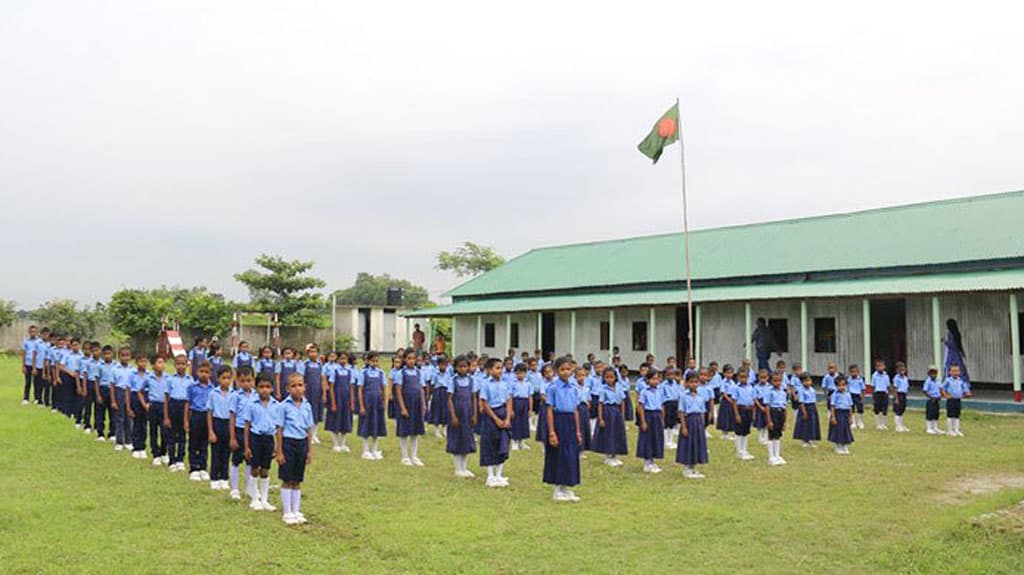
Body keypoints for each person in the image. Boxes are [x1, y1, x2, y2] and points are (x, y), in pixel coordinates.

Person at [276, 373, 315, 525]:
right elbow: (279, 429)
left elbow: (308, 430)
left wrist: (310, 450)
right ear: (287, 388)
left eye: (300, 385)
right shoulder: (283, 406)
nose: (297, 389)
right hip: (288, 443)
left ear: (304, 387)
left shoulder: (307, 406)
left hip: (302, 444)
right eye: (293, 386)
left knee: (297, 479)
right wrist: (279, 451)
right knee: (287, 478)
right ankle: (287, 511)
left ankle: (296, 510)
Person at [543, 356, 582, 502]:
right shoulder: (552, 388)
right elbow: (549, 410)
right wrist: (552, 432)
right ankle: (557, 490)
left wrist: (578, 431)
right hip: (558, 421)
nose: (566, 372)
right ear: (556, 371)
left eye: (568, 369)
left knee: (570, 455)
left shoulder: (574, 387)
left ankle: (567, 487)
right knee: (558, 454)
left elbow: (575, 410)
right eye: (562, 369)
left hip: (570, 422)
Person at [244, 374, 279, 512]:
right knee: (255, 468)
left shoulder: (276, 405)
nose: (264, 390)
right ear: (256, 388)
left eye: (268, 387)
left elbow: (277, 428)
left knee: (265, 469)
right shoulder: (251, 404)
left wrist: (277, 446)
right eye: (261, 387)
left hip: (268, 439)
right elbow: (247, 425)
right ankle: (254, 499)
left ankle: (264, 499)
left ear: (272, 388)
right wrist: (247, 446)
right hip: (255, 438)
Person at [478, 358, 513, 488]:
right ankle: (490, 475)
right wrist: (496, 419)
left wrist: (508, 418)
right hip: (491, 415)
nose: (500, 371)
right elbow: (484, 403)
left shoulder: (505, 383)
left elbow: (509, 400)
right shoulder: (486, 384)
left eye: (501, 368)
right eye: (497, 368)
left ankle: (499, 475)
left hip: (503, 412)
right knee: (490, 444)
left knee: (503, 444)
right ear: (489, 370)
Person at [446, 355, 477, 478]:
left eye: (465, 366)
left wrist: (474, 414)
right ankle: (457, 468)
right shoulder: (452, 380)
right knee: (456, 439)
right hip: (457, 413)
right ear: (455, 368)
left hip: (468, 413)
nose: (463, 369)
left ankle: (464, 467)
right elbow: (449, 399)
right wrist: (453, 416)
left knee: (466, 439)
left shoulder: (471, 380)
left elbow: (474, 397)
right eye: (460, 366)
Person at [229, 367, 257, 500]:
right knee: (236, 460)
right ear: (238, 382)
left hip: (252, 431)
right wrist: (232, 437)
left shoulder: (256, 396)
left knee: (250, 460)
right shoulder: (235, 396)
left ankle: (249, 488)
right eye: (243, 381)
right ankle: (234, 488)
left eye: (249, 380)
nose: (246, 383)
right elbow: (232, 416)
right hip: (239, 430)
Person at [395, 350, 427, 466]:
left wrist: (423, 404)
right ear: (404, 359)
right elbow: (398, 391)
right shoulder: (401, 373)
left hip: (417, 404)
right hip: (406, 404)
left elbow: (421, 389)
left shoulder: (419, 373)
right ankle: (404, 456)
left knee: (415, 431)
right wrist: (402, 407)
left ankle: (414, 455)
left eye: (414, 359)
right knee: (405, 431)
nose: (411, 361)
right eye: (409, 358)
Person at [676, 372, 709, 479]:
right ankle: (686, 468)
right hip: (689, 421)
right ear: (686, 383)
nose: (694, 384)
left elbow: (702, 411)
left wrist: (703, 425)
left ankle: (693, 467)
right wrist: (684, 426)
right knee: (688, 444)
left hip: (698, 421)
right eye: (691, 382)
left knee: (697, 444)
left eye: (696, 382)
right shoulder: (684, 396)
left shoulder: (700, 396)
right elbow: (681, 412)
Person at [185, 362, 214, 482]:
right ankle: (194, 468)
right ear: (197, 372)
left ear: (210, 374)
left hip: (207, 416)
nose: (204, 374)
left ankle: (202, 467)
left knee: (204, 443)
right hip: (195, 415)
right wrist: (186, 421)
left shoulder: (213, 389)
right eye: (201, 371)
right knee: (193, 442)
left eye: (206, 372)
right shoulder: (192, 387)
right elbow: (188, 404)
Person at [593, 366, 627, 467]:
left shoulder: (619, 388)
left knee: (617, 433)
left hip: (616, 412)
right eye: (607, 377)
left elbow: (622, 402)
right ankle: (608, 456)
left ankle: (615, 455)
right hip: (607, 412)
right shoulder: (603, 389)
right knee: (608, 434)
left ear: (615, 377)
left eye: (611, 377)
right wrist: (601, 418)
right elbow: (600, 404)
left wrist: (622, 415)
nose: (609, 379)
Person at [207, 366, 234, 491]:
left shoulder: (234, 394)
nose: (226, 381)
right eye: (224, 378)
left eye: (229, 378)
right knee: (216, 453)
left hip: (229, 423)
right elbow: (209, 413)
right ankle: (214, 478)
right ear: (218, 379)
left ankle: (224, 478)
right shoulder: (213, 393)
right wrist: (211, 431)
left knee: (226, 453)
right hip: (217, 423)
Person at [164, 355, 193, 471]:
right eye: (178, 364)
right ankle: (172, 460)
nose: (180, 366)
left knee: (182, 435)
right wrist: (166, 417)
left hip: (184, 407)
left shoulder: (190, 381)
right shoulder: (170, 380)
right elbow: (166, 399)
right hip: (173, 406)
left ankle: (180, 459)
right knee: (171, 435)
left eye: (183, 364)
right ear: (174, 365)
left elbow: (190, 400)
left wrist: (188, 417)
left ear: (187, 365)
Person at [357, 351, 387, 460]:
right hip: (367, 402)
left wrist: (384, 402)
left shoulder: (381, 373)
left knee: (377, 426)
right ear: (368, 361)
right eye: (373, 361)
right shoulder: (363, 373)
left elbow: (383, 388)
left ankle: (375, 449)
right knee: (366, 426)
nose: (375, 363)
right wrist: (361, 406)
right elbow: (360, 390)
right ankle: (365, 450)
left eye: (376, 361)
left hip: (377, 403)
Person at [636, 370, 665, 474]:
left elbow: (662, 406)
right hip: (648, 415)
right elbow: (641, 406)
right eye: (653, 379)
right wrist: (643, 421)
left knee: (656, 438)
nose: (655, 381)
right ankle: (647, 462)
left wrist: (662, 419)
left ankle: (653, 460)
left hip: (657, 416)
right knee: (647, 438)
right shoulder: (644, 392)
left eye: (657, 379)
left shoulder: (660, 391)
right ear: (648, 380)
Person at [142, 356, 169, 466]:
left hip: (164, 405)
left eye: (163, 362)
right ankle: (155, 454)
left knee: (165, 431)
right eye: (159, 362)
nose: (162, 365)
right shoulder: (148, 378)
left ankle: (164, 452)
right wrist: (145, 404)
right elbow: (140, 391)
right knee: (153, 430)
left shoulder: (168, 378)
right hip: (153, 406)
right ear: (153, 366)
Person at [325, 351, 354, 453]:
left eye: (345, 359)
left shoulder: (349, 371)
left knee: (345, 420)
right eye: (341, 359)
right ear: (338, 359)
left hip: (346, 398)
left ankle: (343, 443)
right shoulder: (334, 370)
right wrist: (333, 402)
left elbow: (351, 387)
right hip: (337, 398)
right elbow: (332, 387)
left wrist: (352, 402)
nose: (343, 361)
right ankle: (335, 443)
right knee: (335, 420)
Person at [298, 344, 324, 443]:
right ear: (308, 353)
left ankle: (315, 434)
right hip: (308, 391)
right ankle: (308, 434)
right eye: (311, 352)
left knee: (317, 412)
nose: (313, 354)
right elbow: (301, 379)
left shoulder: (319, 364)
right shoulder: (304, 365)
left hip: (318, 391)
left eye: (315, 352)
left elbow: (322, 378)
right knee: (308, 412)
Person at [729, 366, 756, 461]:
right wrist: (736, 414)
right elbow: (734, 401)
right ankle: (739, 451)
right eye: (741, 377)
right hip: (740, 409)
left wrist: (753, 413)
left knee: (746, 431)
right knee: (739, 431)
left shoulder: (751, 387)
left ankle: (744, 450)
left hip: (749, 409)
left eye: (745, 377)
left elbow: (753, 401)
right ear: (738, 378)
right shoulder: (736, 388)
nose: (743, 379)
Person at [111, 347, 134, 452]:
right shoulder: (115, 369)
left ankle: (129, 441)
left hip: (130, 393)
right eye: (123, 355)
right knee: (119, 418)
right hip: (119, 392)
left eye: (127, 355)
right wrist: (113, 401)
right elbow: (112, 386)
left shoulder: (133, 370)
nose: (125, 358)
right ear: (119, 356)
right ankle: (119, 441)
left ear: (130, 357)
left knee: (129, 418)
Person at [127, 354, 150, 459]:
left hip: (145, 397)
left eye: (145, 361)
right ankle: (136, 447)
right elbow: (128, 390)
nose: (143, 364)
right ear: (136, 363)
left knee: (144, 424)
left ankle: (143, 447)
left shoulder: (149, 375)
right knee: (136, 423)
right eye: (141, 361)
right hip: (135, 397)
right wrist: (128, 406)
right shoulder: (132, 374)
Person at [765, 372, 788, 466]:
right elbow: (767, 406)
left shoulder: (783, 392)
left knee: (778, 435)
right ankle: (771, 457)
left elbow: (785, 406)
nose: (778, 382)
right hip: (773, 412)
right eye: (775, 380)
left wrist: (785, 421)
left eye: (779, 380)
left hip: (780, 413)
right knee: (771, 435)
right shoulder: (769, 391)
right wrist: (769, 420)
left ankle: (777, 455)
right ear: (771, 381)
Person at [941, 364, 971, 437]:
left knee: (957, 415)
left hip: (958, 400)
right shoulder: (948, 380)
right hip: (951, 400)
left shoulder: (961, 381)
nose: (955, 373)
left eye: (957, 371)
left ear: (959, 372)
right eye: (953, 371)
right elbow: (942, 389)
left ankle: (956, 430)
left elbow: (966, 390)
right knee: (950, 415)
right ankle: (949, 430)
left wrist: (966, 394)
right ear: (950, 372)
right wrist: (946, 396)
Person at [828, 375, 855, 455]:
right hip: (838, 413)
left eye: (843, 385)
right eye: (839, 385)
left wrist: (851, 417)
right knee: (838, 430)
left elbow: (850, 406)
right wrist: (833, 417)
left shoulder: (848, 394)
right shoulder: (835, 395)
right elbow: (832, 406)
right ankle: (838, 446)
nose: (841, 387)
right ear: (836, 386)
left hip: (845, 414)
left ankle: (845, 445)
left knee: (845, 429)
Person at [792, 373, 821, 448]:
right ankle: (805, 440)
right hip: (805, 408)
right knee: (805, 424)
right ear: (802, 382)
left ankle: (812, 439)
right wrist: (804, 412)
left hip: (812, 408)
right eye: (805, 381)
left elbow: (814, 401)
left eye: (809, 380)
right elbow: (801, 402)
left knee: (812, 424)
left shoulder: (812, 390)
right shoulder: (801, 390)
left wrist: (815, 409)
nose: (807, 382)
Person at [94, 345, 116, 441]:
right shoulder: (99, 365)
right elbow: (96, 380)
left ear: (112, 354)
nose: (107, 356)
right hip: (103, 389)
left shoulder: (116, 366)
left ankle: (112, 433)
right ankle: (100, 434)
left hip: (113, 390)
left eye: (109, 354)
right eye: (105, 354)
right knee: (100, 413)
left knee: (113, 413)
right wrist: (98, 394)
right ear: (102, 355)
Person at [509, 363, 533, 451]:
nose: (520, 375)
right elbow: (510, 396)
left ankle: (522, 442)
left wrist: (530, 409)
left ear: (525, 373)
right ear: (515, 373)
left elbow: (530, 397)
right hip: (516, 402)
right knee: (516, 422)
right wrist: (511, 409)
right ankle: (514, 441)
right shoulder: (513, 383)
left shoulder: (528, 384)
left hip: (525, 402)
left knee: (524, 422)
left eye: (522, 373)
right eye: (518, 373)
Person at [427, 355, 451, 439]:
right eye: (441, 364)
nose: (443, 366)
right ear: (438, 364)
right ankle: (436, 429)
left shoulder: (448, 373)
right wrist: (433, 394)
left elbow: (449, 384)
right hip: (438, 392)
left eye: (445, 364)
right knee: (437, 410)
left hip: (446, 392)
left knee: (445, 411)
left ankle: (444, 429)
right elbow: (432, 384)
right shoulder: (435, 373)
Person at [660, 368, 681, 450]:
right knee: (666, 423)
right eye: (669, 375)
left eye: (673, 374)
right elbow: (662, 396)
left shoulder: (675, 383)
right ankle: (666, 442)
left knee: (672, 423)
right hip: (667, 404)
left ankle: (671, 441)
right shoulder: (663, 385)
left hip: (675, 403)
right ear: (665, 376)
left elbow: (678, 394)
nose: (671, 376)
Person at [944, 318, 970, 384]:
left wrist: (945, 341)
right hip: (957, 354)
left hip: (951, 355)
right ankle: (965, 383)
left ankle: (950, 384)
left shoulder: (950, 333)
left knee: (950, 369)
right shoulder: (957, 333)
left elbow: (951, 345)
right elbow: (959, 344)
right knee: (960, 369)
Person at [715, 364, 737, 440]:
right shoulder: (723, 382)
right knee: (725, 416)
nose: (729, 375)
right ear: (724, 373)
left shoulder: (733, 382)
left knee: (731, 416)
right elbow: (723, 393)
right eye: (727, 373)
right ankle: (724, 433)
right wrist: (729, 399)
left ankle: (730, 431)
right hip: (726, 401)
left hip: (732, 399)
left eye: (731, 373)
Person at [574, 367, 592, 455]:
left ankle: (583, 448)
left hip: (585, 408)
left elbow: (588, 397)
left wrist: (588, 403)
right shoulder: (573, 387)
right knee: (579, 428)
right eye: (579, 376)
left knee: (585, 427)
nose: (581, 378)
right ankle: (577, 449)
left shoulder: (587, 387)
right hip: (577, 408)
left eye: (583, 375)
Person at [21, 325, 41, 406]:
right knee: (28, 382)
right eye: (31, 331)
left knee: (37, 382)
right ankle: (26, 398)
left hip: (37, 364)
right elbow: (24, 353)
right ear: (29, 332)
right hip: (28, 364)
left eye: (34, 331)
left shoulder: (39, 341)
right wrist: (23, 366)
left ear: (37, 332)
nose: (33, 333)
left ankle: (37, 398)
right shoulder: (26, 341)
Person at [870, 360, 891, 430]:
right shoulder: (874, 376)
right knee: (877, 409)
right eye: (878, 366)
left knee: (884, 409)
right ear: (876, 367)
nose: (880, 368)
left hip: (884, 393)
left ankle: (884, 424)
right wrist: (872, 395)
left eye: (881, 366)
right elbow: (873, 386)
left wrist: (888, 393)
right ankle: (878, 424)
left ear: (884, 367)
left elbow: (888, 386)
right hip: (877, 393)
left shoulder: (886, 376)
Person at [752, 369, 771, 445]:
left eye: (764, 377)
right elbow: (755, 398)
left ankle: (766, 437)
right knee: (760, 423)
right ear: (758, 378)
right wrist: (760, 407)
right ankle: (760, 438)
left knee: (767, 422)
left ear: (767, 377)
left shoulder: (769, 387)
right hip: (759, 405)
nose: (763, 379)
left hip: (767, 404)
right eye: (761, 377)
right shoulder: (756, 387)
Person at [922, 366, 943, 435]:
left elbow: (940, 389)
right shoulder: (928, 381)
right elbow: (925, 391)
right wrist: (931, 397)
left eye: (935, 373)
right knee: (930, 414)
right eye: (931, 373)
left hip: (937, 399)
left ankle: (935, 428)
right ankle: (929, 428)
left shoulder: (938, 381)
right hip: (931, 400)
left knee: (936, 413)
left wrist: (940, 396)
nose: (933, 374)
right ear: (928, 374)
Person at [892, 362, 911, 433]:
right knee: (898, 411)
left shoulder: (905, 378)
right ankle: (897, 426)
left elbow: (906, 387)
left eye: (903, 369)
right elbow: (895, 388)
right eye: (900, 370)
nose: (902, 371)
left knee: (902, 410)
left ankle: (901, 425)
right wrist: (896, 398)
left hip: (904, 394)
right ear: (897, 371)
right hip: (898, 394)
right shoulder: (896, 378)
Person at [846, 364, 866, 430]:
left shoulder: (860, 380)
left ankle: (860, 422)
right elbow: (847, 389)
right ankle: (853, 423)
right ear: (849, 372)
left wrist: (863, 398)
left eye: (855, 372)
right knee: (852, 409)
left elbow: (863, 389)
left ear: (858, 372)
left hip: (858, 395)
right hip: (850, 395)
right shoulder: (848, 380)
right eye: (852, 372)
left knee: (860, 409)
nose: (853, 373)